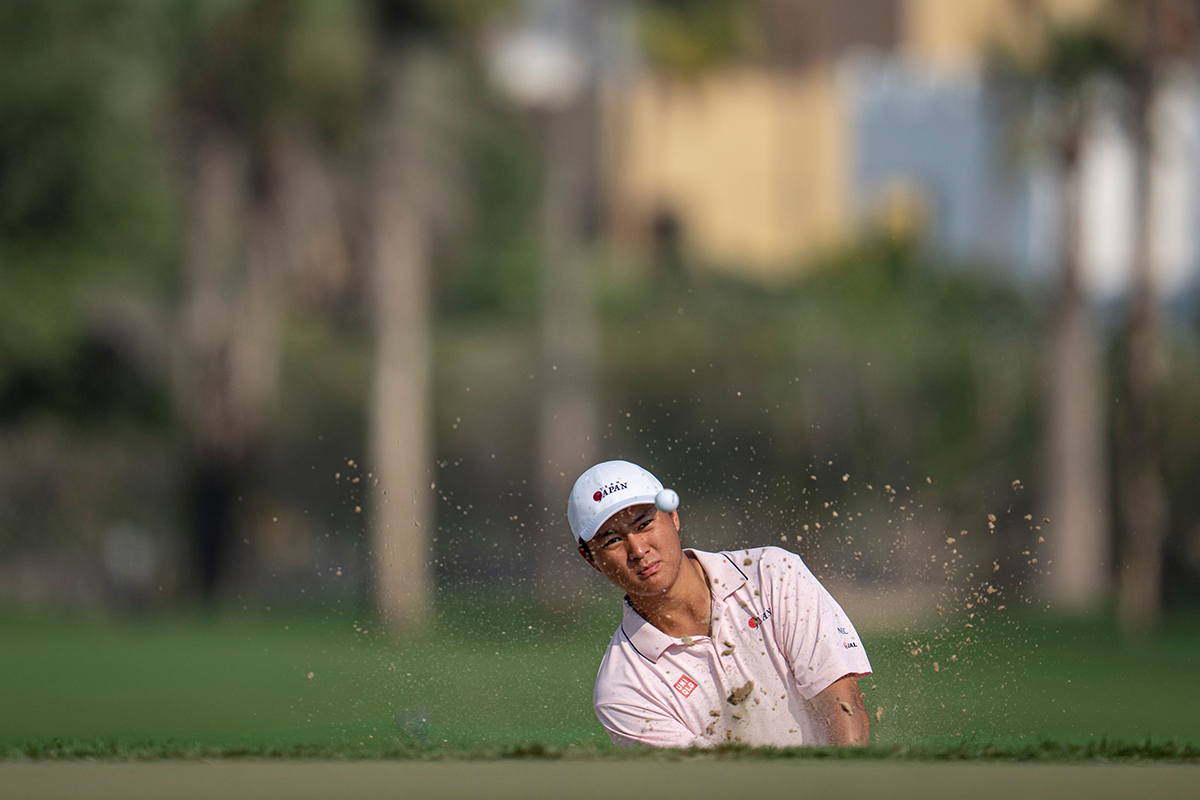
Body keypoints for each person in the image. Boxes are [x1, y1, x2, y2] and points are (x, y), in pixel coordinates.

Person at [568, 460, 872, 748]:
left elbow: (843, 704)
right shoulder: (623, 690)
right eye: (611, 541)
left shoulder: (773, 573)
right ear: (590, 558)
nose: (637, 549)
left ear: (673, 515)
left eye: (645, 523)